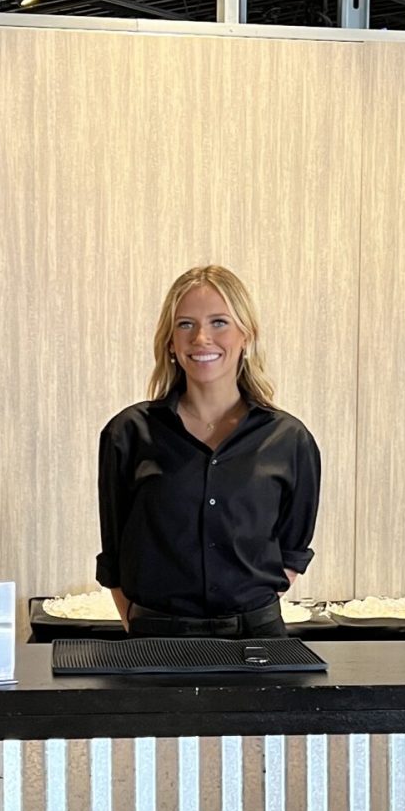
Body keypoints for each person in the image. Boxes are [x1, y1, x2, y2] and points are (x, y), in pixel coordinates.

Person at [96, 265, 321, 638]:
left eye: (219, 322)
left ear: (246, 335)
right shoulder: (128, 434)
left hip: (257, 642)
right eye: (186, 324)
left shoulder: (288, 440)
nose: (201, 338)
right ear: (170, 341)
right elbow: (115, 555)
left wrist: (245, 605)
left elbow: (293, 548)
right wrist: (141, 620)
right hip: (156, 641)